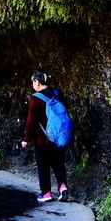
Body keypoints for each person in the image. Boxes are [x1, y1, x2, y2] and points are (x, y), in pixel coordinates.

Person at [20, 70, 70, 202]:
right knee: (59, 163)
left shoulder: (35, 99)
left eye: (33, 82)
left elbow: (31, 122)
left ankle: (46, 193)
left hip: (41, 139)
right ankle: (62, 187)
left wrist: (26, 139)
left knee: (43, 165)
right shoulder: (57, 93)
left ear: (37, 81)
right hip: (58, 136)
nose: (33, 85)